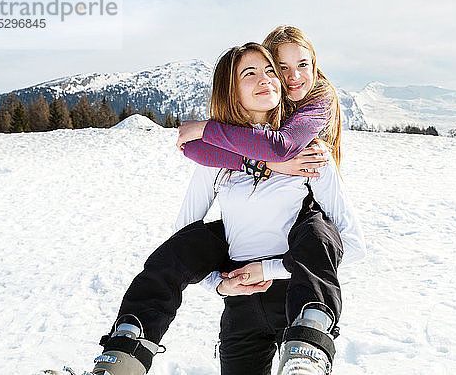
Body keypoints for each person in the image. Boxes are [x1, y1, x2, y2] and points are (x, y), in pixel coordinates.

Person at [92, 43, 365, 375]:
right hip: (241, 310)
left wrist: (268, 270)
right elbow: (182, 243)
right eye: (250, 74)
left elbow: (351, 246)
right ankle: (124, 355)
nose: (266, 79)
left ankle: (308, 349)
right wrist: (219, 284)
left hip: (299, 297)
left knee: (318, 230)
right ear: (232, 92)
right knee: (179, 250)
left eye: (270, 71)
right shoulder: (216, 159)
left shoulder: (309, 153)